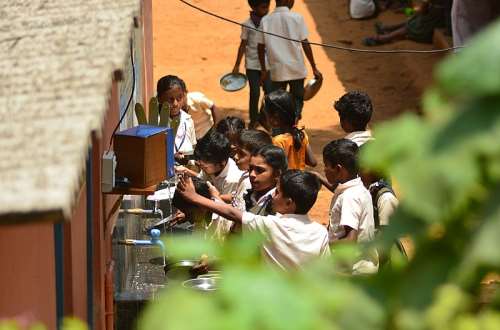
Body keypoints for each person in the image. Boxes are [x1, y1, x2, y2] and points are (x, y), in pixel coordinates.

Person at [177, 170, 330, 270]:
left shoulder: (270, 225)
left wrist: (194, 197)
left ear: (289, 203)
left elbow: (232, 213)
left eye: (277, 193)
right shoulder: (321, 232)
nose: (273, 196)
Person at [257, 0, 322, 119]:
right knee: (297, 99)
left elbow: (260, 47)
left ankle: (279, 127)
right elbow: (305, 43)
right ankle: (294, 124)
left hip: (277, 70)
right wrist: (314, 67)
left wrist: (263, 69)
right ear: (289, 1)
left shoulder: (266, 20)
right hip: (296, 69)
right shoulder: (297, 18)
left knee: (277, 102)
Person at [322, 139, 377, 274]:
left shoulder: (349, 197)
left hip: (353, 270)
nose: (324, 170)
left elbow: (349, 241)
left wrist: (322, 243)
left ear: (339, 169)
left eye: (326, 165)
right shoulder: (360, 189)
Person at [194, 131, 245, 239]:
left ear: (221, 162)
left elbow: (225, 214)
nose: (201, 164)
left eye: (206, 162)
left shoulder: (232, 179)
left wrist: (215, 197)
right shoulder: (209, 167)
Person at [208, 129, 273, 212]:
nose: (236, 157)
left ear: (256, 156)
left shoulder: (250, 182)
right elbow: (236, 197)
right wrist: (219, 196)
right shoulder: (245, 174)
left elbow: (237, 215)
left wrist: (216, 198)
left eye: (241, 154)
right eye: (236, 152)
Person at [233, 0, 273, 128]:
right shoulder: (247, 24)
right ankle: (253, 119)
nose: (266, 9)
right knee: (255, 93)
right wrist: (237, 65)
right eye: (263, 7)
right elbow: (243, 45)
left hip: (268, 65)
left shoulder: (270, 22)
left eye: (267, 7)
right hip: (252, 65)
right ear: (254, 7)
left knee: (270, 93)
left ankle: (264, 116)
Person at [265, 90, 317, 170]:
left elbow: (277, 168)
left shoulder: (278, 141)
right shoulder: (301, 133)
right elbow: (313, 162)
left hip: (286, 181)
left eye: (267, 114)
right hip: (300, 180)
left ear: (275, 117)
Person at [363, 0, 451, 46]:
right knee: (414, 18)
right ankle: (387, 29)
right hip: (438, 16)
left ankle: (385, 37)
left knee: (412, 24)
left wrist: (413, 10)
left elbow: (423, 9)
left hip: (433, 21)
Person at [157, 75, 197, 160]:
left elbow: (193, 148)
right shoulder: (156, 123)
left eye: (179, 98)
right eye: (170, 99)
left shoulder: (188, 120)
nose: (175, 104)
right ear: (159, 99)